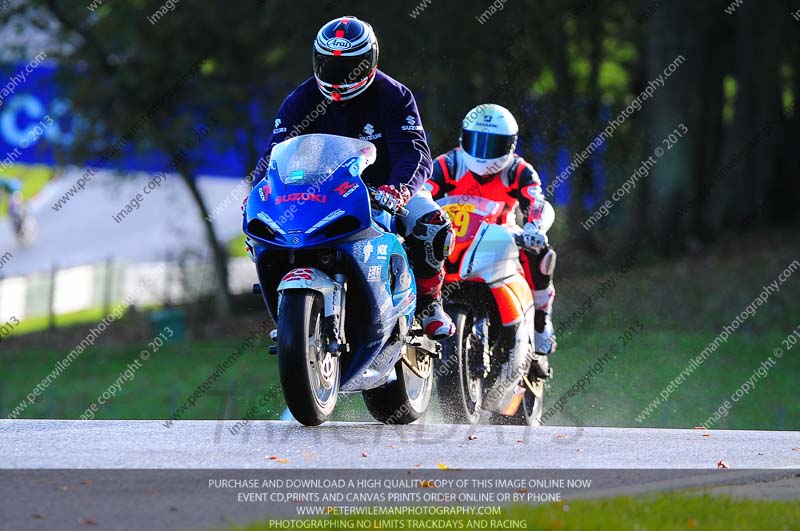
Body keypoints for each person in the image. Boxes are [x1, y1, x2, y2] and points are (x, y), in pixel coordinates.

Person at [249, 16, 455, 339]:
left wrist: (399, 190)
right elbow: (274, 153)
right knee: (264, 231)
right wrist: (260, 188)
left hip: (384, 188)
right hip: (323, 192)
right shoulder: (299, 101)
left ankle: (430, 303)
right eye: (329, 66)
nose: (338, 77)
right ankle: (289, 315)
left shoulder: (395, 96)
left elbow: (415, 153)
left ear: (369, 62)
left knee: (432, 224)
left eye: (348, 68)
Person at [427, 104, 557, 375]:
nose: (484, 153)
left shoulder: (519, 170)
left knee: (541, 254)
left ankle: (541, 324)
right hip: (453, 237)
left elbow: (535, 201)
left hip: (501, 238)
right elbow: (423, 193)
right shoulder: (447, 164)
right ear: (463, 138)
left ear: (510, 145)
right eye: (477, 141)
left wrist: (534, 226)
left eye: (493, 144)